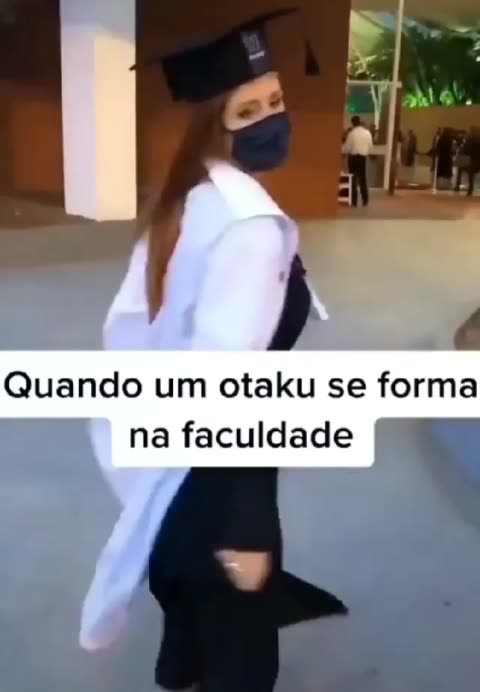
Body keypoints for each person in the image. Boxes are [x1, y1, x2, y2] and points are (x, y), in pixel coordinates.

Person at [79, 8, 348, 692]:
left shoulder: (186, 202)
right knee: (239, 660)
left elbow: (133, 340)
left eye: (275, 101)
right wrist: (246, 528)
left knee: (189, 643)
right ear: (214, 125)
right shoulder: (247, 227)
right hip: (221, 494)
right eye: (247, 111)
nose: (271, 120)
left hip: (172, 490)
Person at [343, 115, 373, 207]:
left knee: (353, 179)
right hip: (362, 158)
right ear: (359, 122)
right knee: (363, 179)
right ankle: (365, 200)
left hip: (353, 158)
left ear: (352, 123)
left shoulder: (352, 134)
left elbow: (347, 148)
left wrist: (344, 153)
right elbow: (370, 146)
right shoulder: (367, 133)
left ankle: (354, 201)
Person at [464, 126, 480, 197]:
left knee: (471, 174)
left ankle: (470, 189)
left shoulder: (470, 139)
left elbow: (466, 150)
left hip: (474, 158)